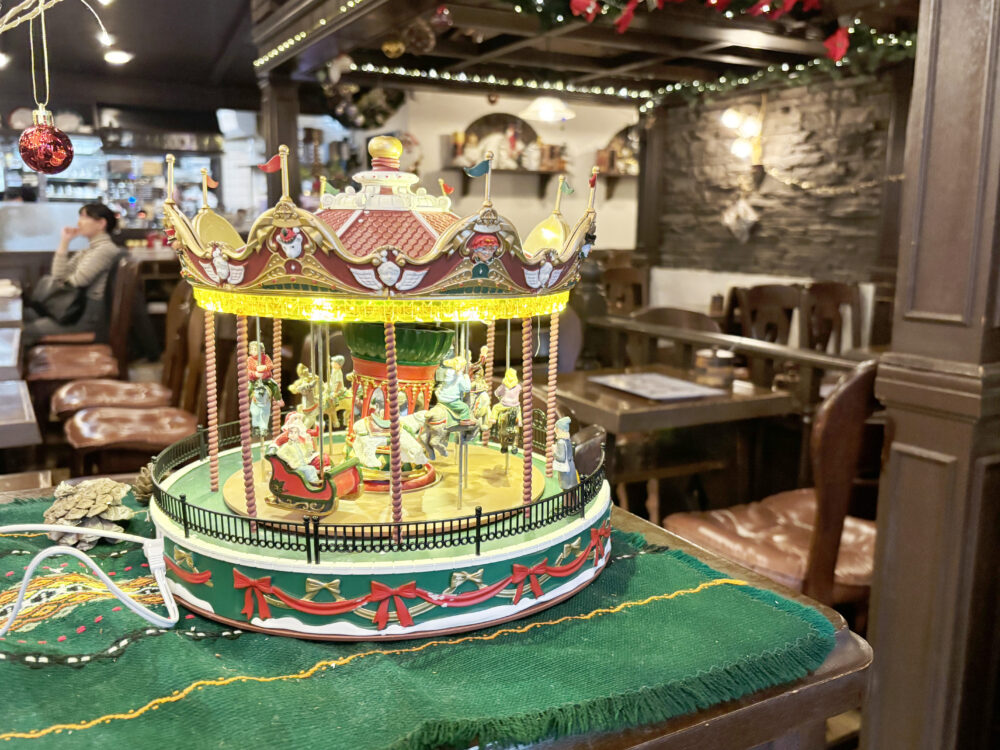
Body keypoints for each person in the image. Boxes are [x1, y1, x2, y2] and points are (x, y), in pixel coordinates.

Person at [23, 203, 121, 346]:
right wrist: (65, 241)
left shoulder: (105, 250)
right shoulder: (88, 250)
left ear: (101, 223)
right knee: (25, 316)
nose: (79, 222)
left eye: (85, 217)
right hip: (73, 311)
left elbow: (77, 282)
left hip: (86, 317)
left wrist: (63, 280)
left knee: (25, 330)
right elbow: (58, 275)